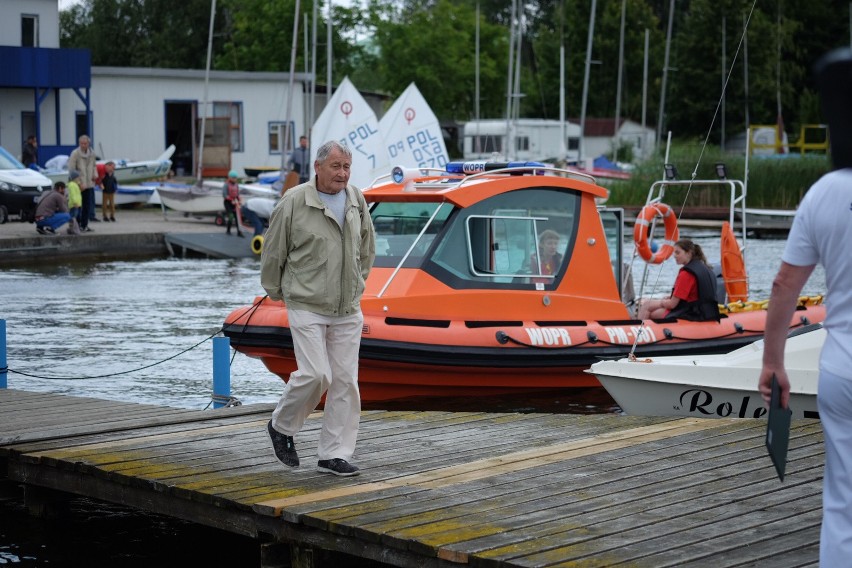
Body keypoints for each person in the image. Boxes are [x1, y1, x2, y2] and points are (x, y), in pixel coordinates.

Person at [260, 140, 376, 477]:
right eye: (336, 166)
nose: (342, 173)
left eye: (346, 167)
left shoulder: (356, 199)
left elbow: (367, 247)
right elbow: (273, 251)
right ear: (318, 167)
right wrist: (276, 290)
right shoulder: (295, 201)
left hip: (347, 306)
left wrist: (358, 282)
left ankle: (333, 454)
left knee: (345, 382)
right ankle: (281, 426)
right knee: (316, 374)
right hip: (306, 302)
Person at [758, 167, 852, 566]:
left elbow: (784, 284)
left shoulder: (827, 190)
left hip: (844, 367)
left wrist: (773, 361)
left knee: (843, 505)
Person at [637, 238, 720, 321]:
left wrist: (662, 301)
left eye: (677, 252)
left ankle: (638, 331)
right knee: (652, 306)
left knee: (647, 306)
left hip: (693, 313)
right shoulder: (706, 268)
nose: (674, 255)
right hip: (707, 311)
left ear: (688, 253)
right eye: (674, 252)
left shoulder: (687, 274)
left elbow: (672, 305)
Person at [66, 135, 98, 232]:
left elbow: (94, 166)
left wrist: (95, 175)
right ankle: (77, 225)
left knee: (87, 205)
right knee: (78, 206)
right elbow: (71, 169)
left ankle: (85, 225)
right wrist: (79, 183)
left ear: (89, 144)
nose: (83, 145)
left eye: (85, 143)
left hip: (89, 183)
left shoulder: (92, 153)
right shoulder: (75, 153)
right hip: (79, 184)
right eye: (81, 143)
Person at [222, 170, 243, 237]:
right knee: (231, 216)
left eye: (235, 177)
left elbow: (237, 194)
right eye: (233, 177)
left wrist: (239, 200)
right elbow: (224, 195)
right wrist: (231, 199)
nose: (235, 179)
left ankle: (239, 232)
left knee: (237, 217)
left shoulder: (236, 185)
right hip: (228, 203)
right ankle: (228, 231)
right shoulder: (226, 185)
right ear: (229, 178)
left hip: (235, 202)